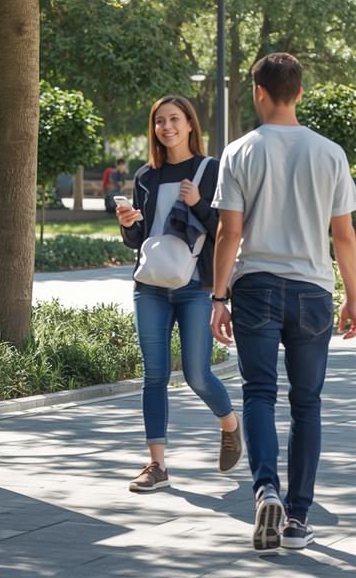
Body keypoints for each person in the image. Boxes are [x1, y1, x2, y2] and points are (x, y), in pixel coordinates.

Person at [210, 53, 356, 552]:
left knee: (257, 393)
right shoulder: (330, 153)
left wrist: (218, 296)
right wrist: (353, 298)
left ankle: (266, 489)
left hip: (255, 287)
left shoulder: (240, 152)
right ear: (299, 92)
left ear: (259, 91)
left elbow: (229, 233)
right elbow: (344, 237)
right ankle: (296, 518)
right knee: (307, 403)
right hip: (313, 290)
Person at [117, 96, 242, 492]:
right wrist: (127, 224)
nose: (166, 127)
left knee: (196, 373)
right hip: (150, 286)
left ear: (190, 124)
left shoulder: (209, 169)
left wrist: (198, 202)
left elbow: (225, 228)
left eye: (174, 119)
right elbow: (140, 240)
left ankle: (229, 424)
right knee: (153, 376)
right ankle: (156, 465)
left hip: (194, 287)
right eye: (159, 121)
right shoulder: (145, 177)